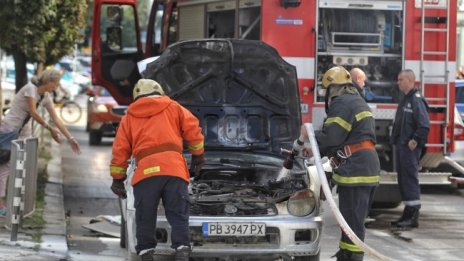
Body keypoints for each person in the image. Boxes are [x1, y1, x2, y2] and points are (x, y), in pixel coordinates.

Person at [109, 79, 205, 261]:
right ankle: (182, 249)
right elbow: (193, 130)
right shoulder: (174, 107)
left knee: (145, 214)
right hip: (174, 170)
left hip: (146, 173)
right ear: (160, 91)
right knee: (178, 213)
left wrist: (117, 179)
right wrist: (198, 155)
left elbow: (120, 149)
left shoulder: (129, 116)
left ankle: (146, 252)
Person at [300, 66, 380, 261]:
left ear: (332, 88)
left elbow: (332, 136)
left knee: (352, 224)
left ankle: (350, 256)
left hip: (356, 170)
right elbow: (346, 138)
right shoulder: (355, 101)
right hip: (365, 166)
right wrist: (317, 150)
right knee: (353, 222)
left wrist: (308, 135)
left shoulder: (342, 103)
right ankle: (347, 253)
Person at [0, 69, 81, 217]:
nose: (56, 87)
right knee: (5, 167)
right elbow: (33, 112)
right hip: (10, 130)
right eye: (55, 84)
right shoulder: (30, 89)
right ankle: (2, 206)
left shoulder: (46, 97)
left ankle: (17, 204)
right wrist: (50, 129)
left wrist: (71, 139)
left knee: (23, 167)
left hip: (24, 133)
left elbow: (56, 119)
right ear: (48, 81)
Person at [390, 69, 429, 228]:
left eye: (401, 79)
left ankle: (413, 215)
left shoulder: (416, 100)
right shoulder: (406, 99)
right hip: (402, 146)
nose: (398, 82)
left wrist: (415, 140)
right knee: (404, 180)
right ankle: (408, 212)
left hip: (409, 148)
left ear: (410, 81)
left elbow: (424, 125)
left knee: (410, 180)